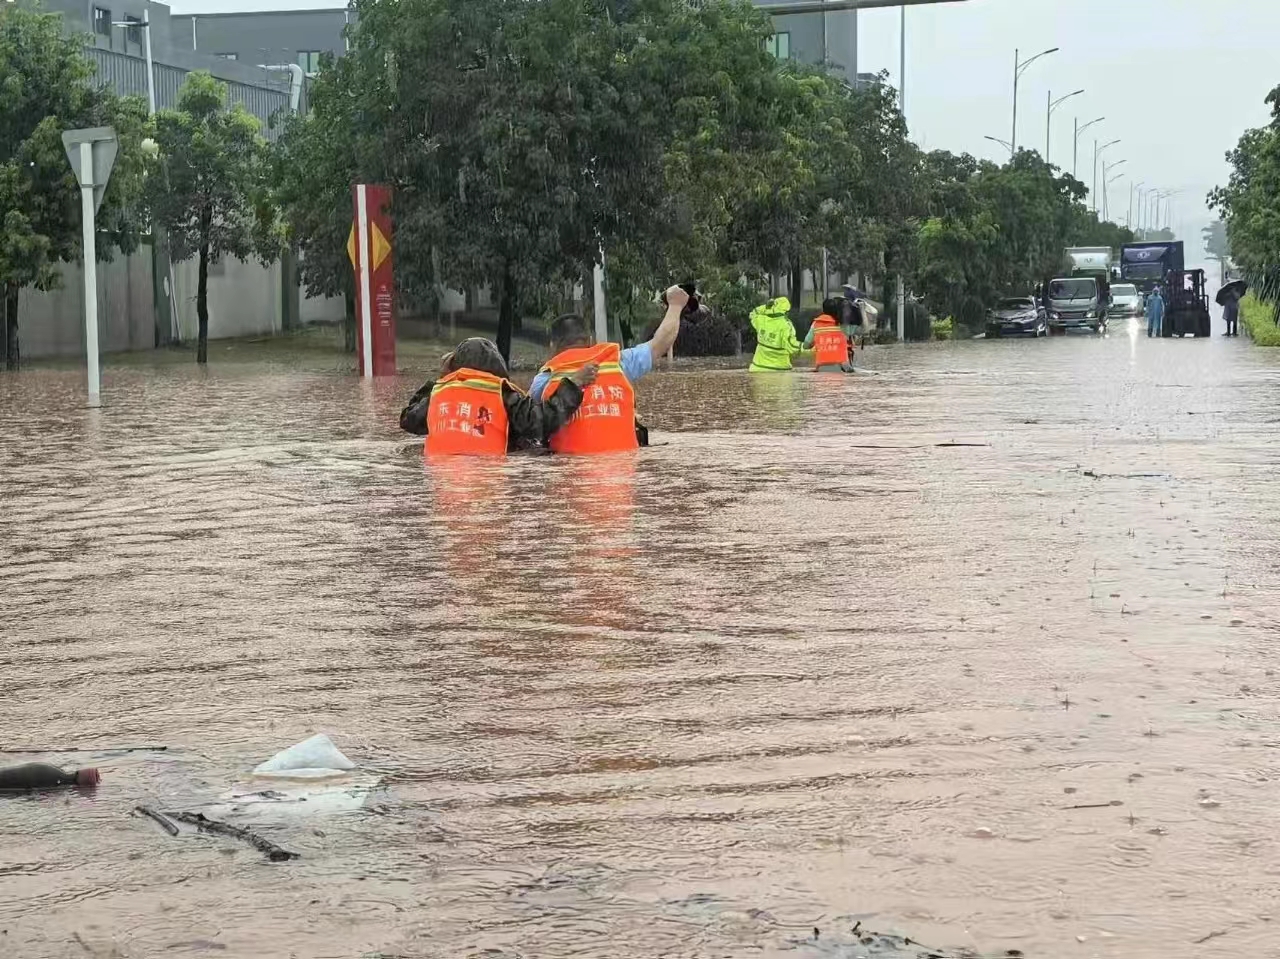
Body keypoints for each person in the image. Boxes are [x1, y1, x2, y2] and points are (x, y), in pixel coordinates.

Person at [527, 285, 688, 453]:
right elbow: (659, 344)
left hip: (571, 470)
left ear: (552, 345)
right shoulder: (618, 363)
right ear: (590, 340)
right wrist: (675, 306)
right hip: (623, 470)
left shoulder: (545, 379)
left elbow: (526, 423)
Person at [399, 337, 597, 455]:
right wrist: (573, 384)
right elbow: (541, 422)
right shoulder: (501, 393)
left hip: (442, 478)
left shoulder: (439, 393)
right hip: (490, 475)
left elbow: (408, 420)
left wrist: (439, 380)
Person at [749, 296, 804, 372]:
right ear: (786, 311)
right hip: (779, 370)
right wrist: (809, 348)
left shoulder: (762, 319)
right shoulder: (786, 325)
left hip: (758, 368)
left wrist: (766, 307)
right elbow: (792, 346)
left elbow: (753, 313)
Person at [803, 297, 855, 372]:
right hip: (842, 366)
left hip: (821, 366)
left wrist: (814, 343)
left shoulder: (816, 324)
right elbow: (855, 333)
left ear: (823, 310)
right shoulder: (842, 324)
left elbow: (805, 345)